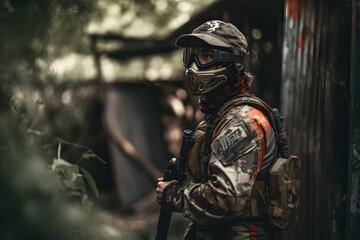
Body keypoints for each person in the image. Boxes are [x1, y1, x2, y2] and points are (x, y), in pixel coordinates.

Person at [156, 20, 277, 240]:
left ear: (232, 64)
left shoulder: (244, 122)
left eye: (205, 56)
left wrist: (173, 195)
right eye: (191, 56)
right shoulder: (219, 116)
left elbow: (225, 199)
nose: (194, 66)